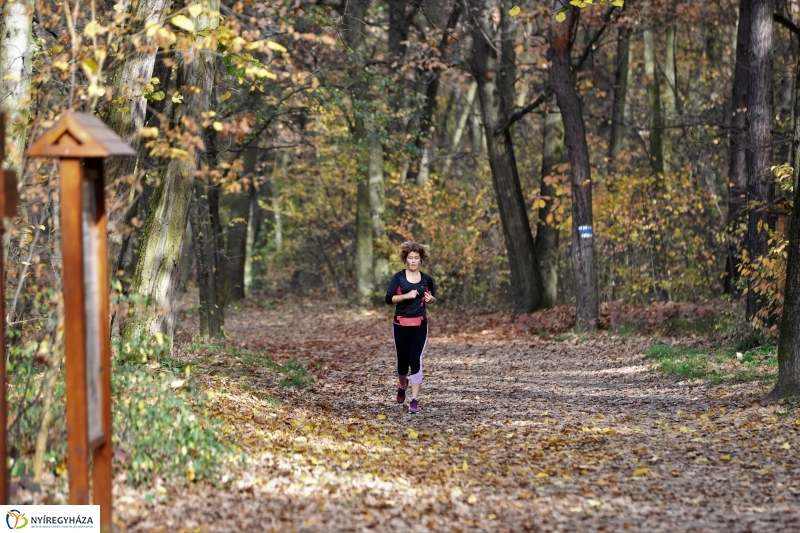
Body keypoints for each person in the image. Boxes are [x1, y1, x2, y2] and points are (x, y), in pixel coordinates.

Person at [384, 241, 436, 414]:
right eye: (410, 258)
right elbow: (389, 299)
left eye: (416, 258)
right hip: (400, 324)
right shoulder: (398, 278)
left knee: (415, 360)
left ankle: (414, 400)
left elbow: (431, 297)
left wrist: (431, 300)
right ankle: (402, 384)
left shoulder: (427, 279)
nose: (413, 261)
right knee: (402, 364)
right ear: (405, 259)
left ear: (421, 260)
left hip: (419, 323)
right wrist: (406, 295)